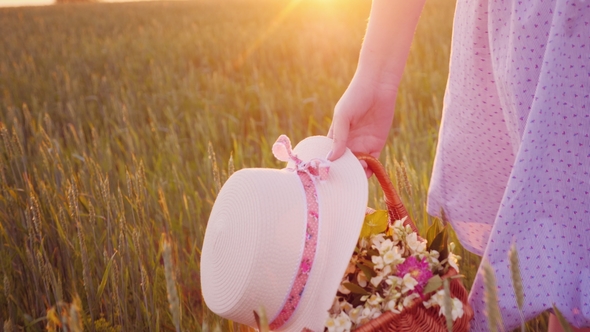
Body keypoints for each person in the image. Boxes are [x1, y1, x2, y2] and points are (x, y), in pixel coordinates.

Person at [327, 0, 590, 331]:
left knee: (573, 246)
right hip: (529, 33)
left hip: (559, 32)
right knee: (565, 236)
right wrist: (376, 78)